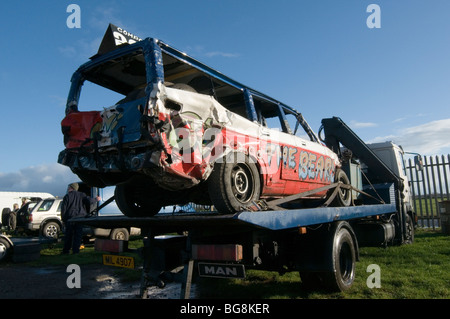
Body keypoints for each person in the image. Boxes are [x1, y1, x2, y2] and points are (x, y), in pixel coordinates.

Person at [61, 183, 100, 254]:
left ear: (72, 188)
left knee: (68, 236)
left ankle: (66, 251)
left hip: (70, 219)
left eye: (69, 187)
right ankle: (76, 251)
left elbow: (63, 209)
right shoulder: (82, 195)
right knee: (78, 236)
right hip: (79, 219)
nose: (68, 189)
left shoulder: (67, 196)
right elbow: (89, 201)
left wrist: (63, 219)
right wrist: (96, 199)